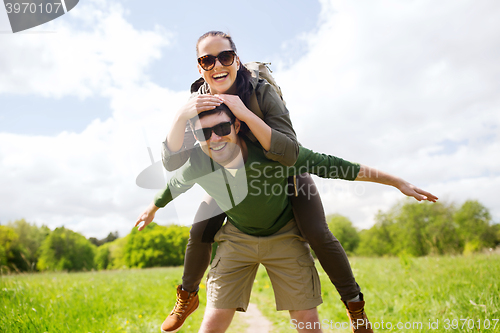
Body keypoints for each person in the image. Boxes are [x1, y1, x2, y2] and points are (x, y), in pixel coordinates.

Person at [137, 104, 438, 333]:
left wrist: (396, 181)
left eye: (222, 128)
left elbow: (337, 166)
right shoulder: (198, 163)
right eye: (205, 133)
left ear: (237, 125)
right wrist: (153, 208)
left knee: (307, 323)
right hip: (237, 237)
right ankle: (187, 296)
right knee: (213, 321)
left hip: (285, 233)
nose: (215, 138)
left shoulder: (273, 155)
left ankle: (355, 306)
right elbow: (174, 184)